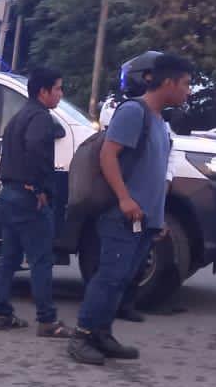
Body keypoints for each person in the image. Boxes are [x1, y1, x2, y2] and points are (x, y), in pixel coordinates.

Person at [67, 52, 189, 366]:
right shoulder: (134, 112)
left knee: (123, 278)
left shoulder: (160, 121)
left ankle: (102, 334)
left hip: (144, 219)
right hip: (122, 215)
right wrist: (124, 198)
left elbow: (156, 172)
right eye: (186, 84)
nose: (188, 91)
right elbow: (108, 155)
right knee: (109, 275)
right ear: (169, 82)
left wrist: (157, 218)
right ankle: (81, 336)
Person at [0, 67, 70, 336]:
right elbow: (36, 147)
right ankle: (47, 320)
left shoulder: (19, 117)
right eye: (58, 88)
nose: (60, 94)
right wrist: (38, 186)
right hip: (28, 198)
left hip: (11, 195)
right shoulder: (40, 118)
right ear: (43, 91)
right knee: (40, 260)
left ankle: (2, 314)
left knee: (9, 259)